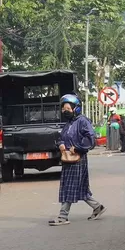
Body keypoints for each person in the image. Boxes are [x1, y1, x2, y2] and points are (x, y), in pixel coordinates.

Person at [49, 94, 106, 226]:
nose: (65, 111)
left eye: (68, 108)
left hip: (77, 159)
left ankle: (63, 217)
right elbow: (62, 137)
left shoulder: (82, 121)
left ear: (76, 108)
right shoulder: (69, 123)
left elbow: (90, 139)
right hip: (68, 159)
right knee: (80, 188)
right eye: (63, 109)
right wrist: (61, 144)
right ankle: (98, 207)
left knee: (69, 187)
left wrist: (79, 147)